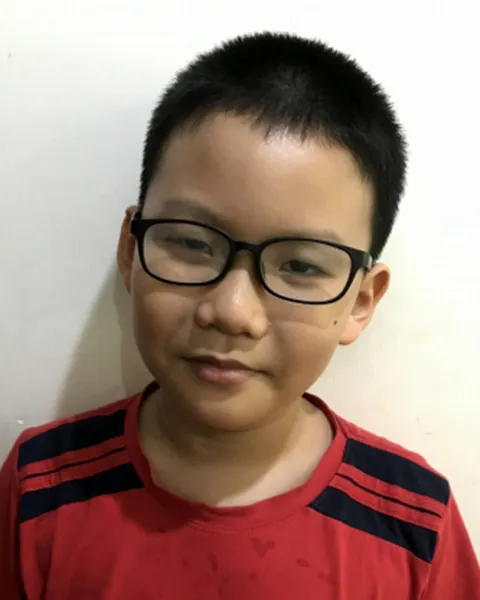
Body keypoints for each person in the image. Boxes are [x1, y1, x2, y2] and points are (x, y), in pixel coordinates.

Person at [0, 31, 478, 600]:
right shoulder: (41, 486)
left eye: (300, 265)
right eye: (192, 243)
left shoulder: (414, 524)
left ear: (360, 302)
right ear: (131, 251)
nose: (232, 313)